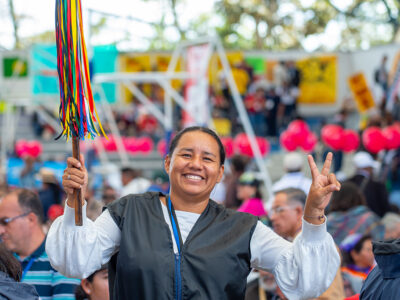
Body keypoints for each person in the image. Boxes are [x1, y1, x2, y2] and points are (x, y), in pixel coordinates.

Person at [46, 126, 341, 300]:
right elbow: (75, 260)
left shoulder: (242, 228)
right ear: (167, 163)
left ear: (220, 173)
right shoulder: (129, 212)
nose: (196, 164)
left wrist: (314, 214)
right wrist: (75, 201)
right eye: (186, 154)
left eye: (208, 158)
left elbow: (306, 280)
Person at [0, 189, 79, 299]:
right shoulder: (5, 258)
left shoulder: (61, 258)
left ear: (31, 219)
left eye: (5, 221)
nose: (1, 230)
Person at [270, 188, 345, 299]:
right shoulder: (301, 243)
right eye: (272, 211)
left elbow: (327, 297)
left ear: (298, 211)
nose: (272, 217)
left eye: (279, 210)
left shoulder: (313, 245)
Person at [348, 151, 391, 217]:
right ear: (368, 168)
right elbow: (386, 210)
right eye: (372, 168)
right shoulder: (378, 186)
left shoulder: (345, 184)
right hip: (372, 224)